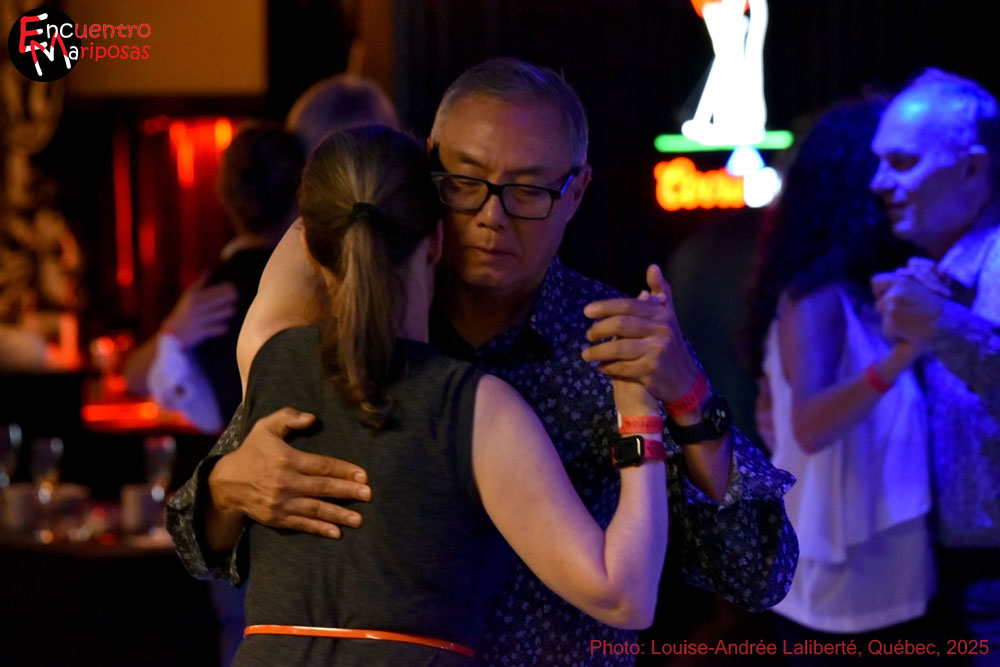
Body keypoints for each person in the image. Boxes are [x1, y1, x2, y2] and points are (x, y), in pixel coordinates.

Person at [168, 58, 797, 666]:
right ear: (428, 167)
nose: (491, 217)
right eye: (465, 183)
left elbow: (758, 574)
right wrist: (229, 486)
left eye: (527, 190)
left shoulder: (613, 349)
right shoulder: (361, 328)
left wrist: (689, 397)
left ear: (576, 190)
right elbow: (196, 540)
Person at [212, 123, 668, 665]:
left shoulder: (266, 357)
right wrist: (639, 414)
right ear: (436, 242)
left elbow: (315, 221)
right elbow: (624, 597)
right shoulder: (474, 408)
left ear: (314, 243)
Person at [746, 100, 933, 662]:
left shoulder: (861, 288)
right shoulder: (818, 298)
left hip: (890, 573)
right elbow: (809, 425)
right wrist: (899, 360)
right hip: (837, 591)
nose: (893, 184)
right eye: (885, 165)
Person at [869, 68, 1000, 662]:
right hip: (939, 570)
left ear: (973, 168)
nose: (878, 182)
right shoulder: (931, 268)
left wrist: (941, 322)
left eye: (901, 163)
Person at [122, 122, 305, 433]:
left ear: (225, 196)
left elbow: (135, 378)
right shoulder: (321, 282)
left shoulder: (211, 296)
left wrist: (173, 332)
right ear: (302, 193)